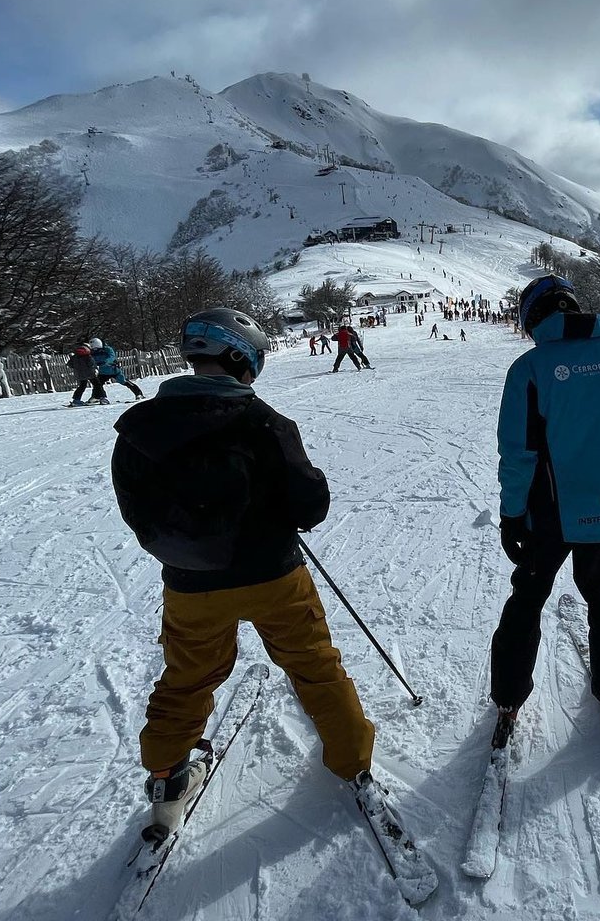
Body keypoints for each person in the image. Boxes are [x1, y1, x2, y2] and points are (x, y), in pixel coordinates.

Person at [110, 307, 377, 834]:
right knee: (314, 665)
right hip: (274, 575)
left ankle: (166, 777)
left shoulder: (140, 428)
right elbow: (309, 504)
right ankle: (353, 762)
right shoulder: (264, 421)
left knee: (186, 678)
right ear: (240, 357)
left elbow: (136, 510)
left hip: (191, 585)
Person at [488, 274, 600, 751]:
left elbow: (518, 453)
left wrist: (511, 514)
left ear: (533, 319)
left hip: (548, 516)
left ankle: (508, 698)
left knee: (527, 598)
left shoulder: (529, 369)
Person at [88, 337, 145, 402]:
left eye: (95, 348)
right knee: (98, 384)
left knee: (124, 381)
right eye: (93, 348)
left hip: (113, 370)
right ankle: (96, 397)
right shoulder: (92, 352)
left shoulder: (107, 349)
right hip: (102, 372)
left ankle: (138, 394)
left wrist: (106, 361)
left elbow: (112, 357)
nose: (95, 350)